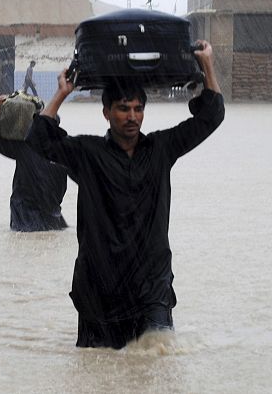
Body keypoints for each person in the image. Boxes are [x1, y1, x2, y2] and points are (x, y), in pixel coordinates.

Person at [25, 40, 225, 349]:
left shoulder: (161, 149)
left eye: (137, 109)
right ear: (106, 112)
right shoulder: (87, 154)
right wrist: (61, 93)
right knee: (98, 372)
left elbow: (211, 117)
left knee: (157, 365)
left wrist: (207, 65)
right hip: (100, 292)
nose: (132, 116)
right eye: (123, 109)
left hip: (151, 290)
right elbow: (39, 139)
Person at [0, 94, 68, 232]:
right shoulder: (63, 151)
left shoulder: (25, 147)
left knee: (27, 245)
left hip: (28, 215)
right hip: (50, 214)